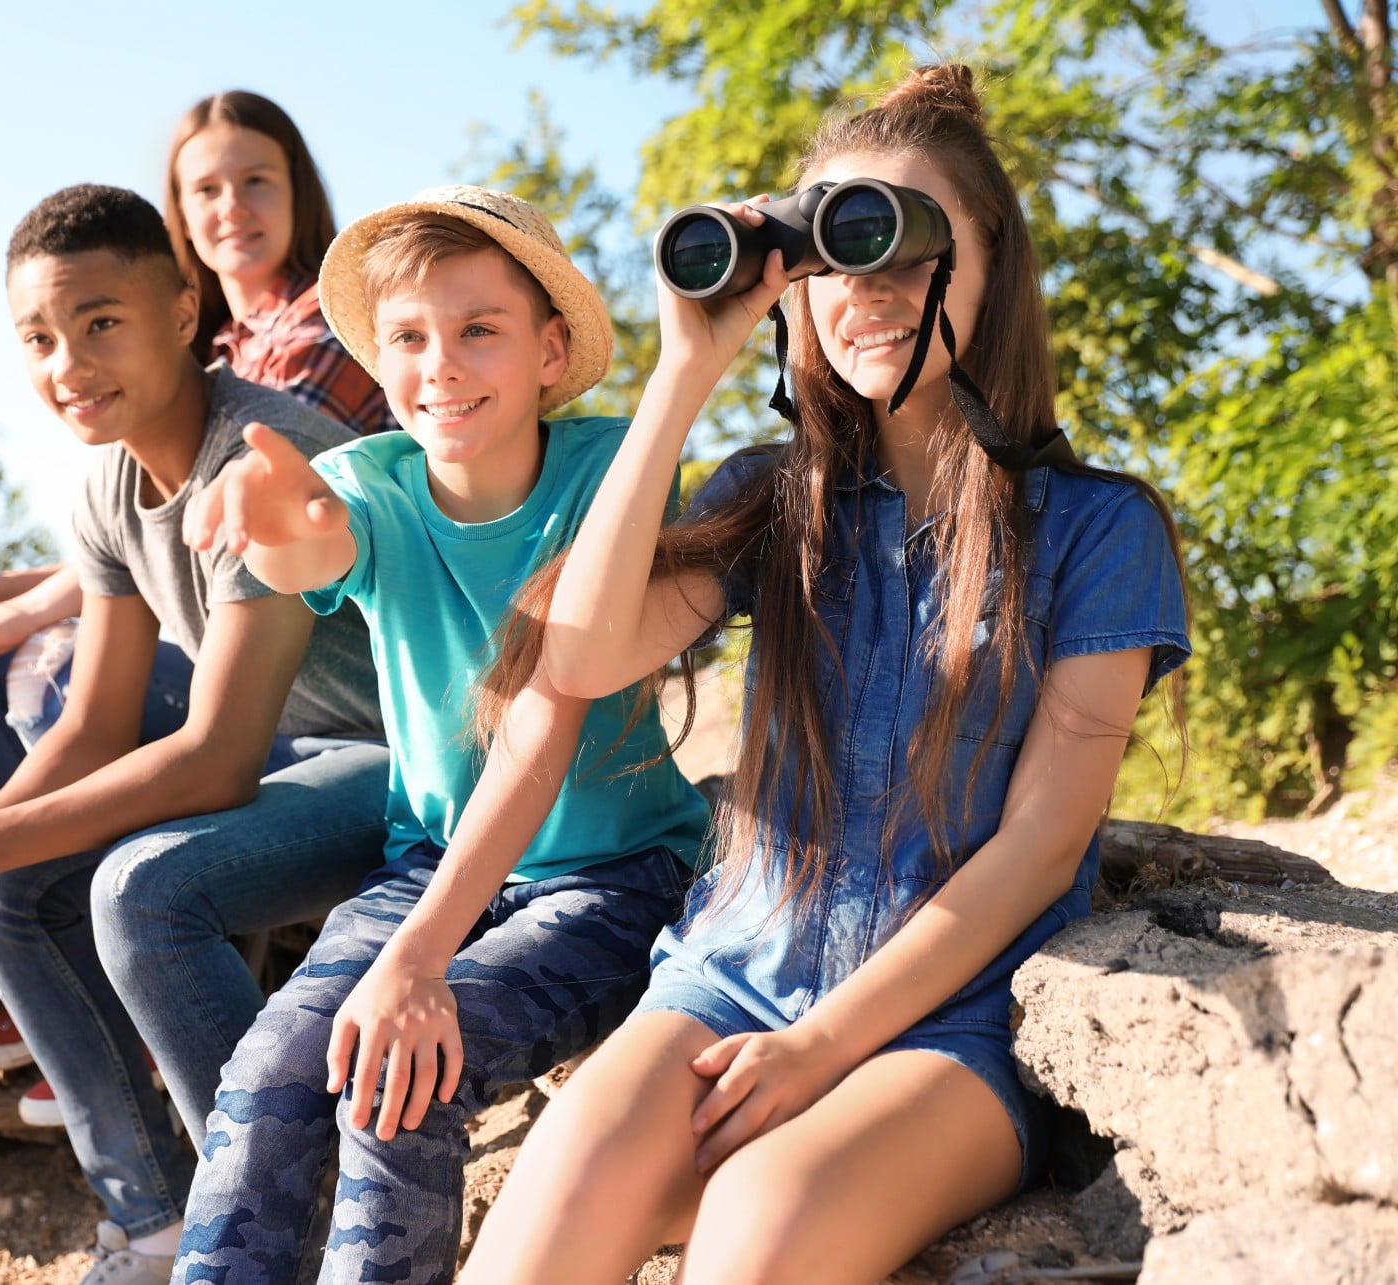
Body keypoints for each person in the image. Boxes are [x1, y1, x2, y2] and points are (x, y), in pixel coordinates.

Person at [460, 65, 1193, 1284]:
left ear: (990, 260)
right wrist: (683, 367)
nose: (866, 290)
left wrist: (817, 1048)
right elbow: (581, 655)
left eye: (901, 242)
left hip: (952, 1024)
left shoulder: (1096, 531)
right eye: (829, 256)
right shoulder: (770, 499)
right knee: (542, 1217)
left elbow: (1036, 846)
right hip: (729, 975)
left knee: (761, 1222)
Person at [0, 184, 388, 1285]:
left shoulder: (261, 456)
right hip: (291, 759)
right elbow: (94, 720)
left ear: (185, 311)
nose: (67, 364)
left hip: (399, 764)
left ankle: (274, 1222)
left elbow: (217, 756)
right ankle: (154, 1217)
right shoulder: (104, 482)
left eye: (100, 322)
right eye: (39, 338)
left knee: (140, 889)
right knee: (13, 886)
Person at [171, 186, 711, 1285]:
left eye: (478, 330)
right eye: (408, 339)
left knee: (404, 1068)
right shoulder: (371, 480)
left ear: (550, 351)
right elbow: (309, 544)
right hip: (424, 866)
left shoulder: (606, 474)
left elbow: (544, 718)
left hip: (608, 877)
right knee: (271, 1064)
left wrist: (418, 961)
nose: (441, 365)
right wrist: (265, 499)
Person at [0, 89, 392, 794]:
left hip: (331, 682)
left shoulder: (322, 331)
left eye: (256, 182)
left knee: (43, 657)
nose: (231, 206)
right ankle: (39, 870)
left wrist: (25, 607)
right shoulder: (214, 348)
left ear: (299, 192)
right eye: (205, 188)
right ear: (178, 212)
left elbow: (220, 527)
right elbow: (144, 538)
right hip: (238, 632)